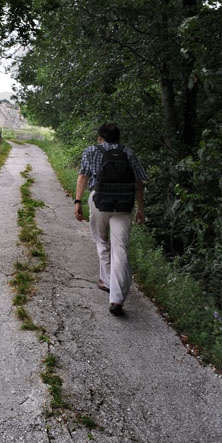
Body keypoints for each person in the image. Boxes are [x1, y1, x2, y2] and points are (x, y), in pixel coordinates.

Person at [74, 122, 147, 316]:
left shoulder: (91, 151)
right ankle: (116, 298)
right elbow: (139, 183)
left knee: (102, 242)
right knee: (120, 248)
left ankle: (106, 281)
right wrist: (141, 208)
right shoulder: (128, 153)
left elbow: (83, 176)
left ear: (100, 137)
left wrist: (77, 201)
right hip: (124, 204)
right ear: (118, 138)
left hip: (99, 201)